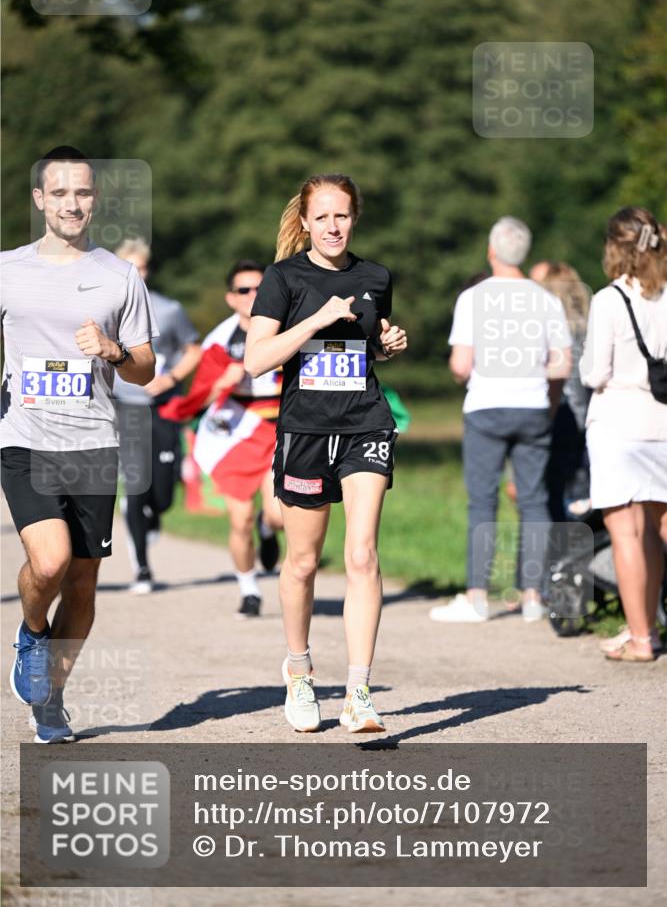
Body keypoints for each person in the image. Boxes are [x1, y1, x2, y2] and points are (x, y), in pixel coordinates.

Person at [1, 147, 157, 742]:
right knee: (50, 561)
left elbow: (144, 368)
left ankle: (51, 700)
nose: (73, 203)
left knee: (84, 583)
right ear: (40, 199)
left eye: (83, 193)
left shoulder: (119, 275)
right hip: (24, 436)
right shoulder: (7, 269)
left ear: (95, 200)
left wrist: (114, 351)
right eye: (60, 192)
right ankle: (32, 632)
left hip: (93, 442)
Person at [245, 174, 407, 733]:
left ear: (353, 218)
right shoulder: (283, 278)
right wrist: (315, 319)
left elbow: (364, 349)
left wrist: (384, 346)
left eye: (342, 215)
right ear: (307, 222)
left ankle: (359, 691)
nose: (333, 226)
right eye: (323, 217)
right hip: (305, 430)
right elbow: (256, 360)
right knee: (304, 562)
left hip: (365, 422)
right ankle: (300, 672)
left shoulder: (375, 277)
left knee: (362, 556)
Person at [429, 216, 572, 625]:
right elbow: (561, 364)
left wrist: (465, 376)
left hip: (486, 409)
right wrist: (549, 404)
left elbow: (460, 364)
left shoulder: (473, 298)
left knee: (483, 501)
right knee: (534, 501)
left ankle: (477, 596)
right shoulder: (546, 299)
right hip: (533, 408)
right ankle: (532, 596)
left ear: (491, 251)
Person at [161, 260, 283, 617]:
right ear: (231, 298)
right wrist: (223, 383)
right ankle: (248, 589)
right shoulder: (220, 340)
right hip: (237, 433)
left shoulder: (288, 327)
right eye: (244, 290)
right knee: (239, 517)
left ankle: (268, 528)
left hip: (280, 429)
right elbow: (201, 397)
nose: (253, 296)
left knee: (277, 515)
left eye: (260, 288)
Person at [579, 207, 667, 662]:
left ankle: (640, 638)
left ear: (614, 246)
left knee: (626, 534)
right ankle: (647, 627)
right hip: (664, 424)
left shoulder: (609, 300)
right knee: (657, 530)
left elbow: (594, 373)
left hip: (618, 425)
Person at [113, 238, 201, 593]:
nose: (138, 274)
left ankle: (153, 513)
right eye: (130, 268)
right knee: (136, 486)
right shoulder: (108, 311)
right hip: (125, 406)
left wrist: (172, 377)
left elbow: (193, 350)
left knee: (162, 494)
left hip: (164, 407)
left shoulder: (168, 309)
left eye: (143, 267)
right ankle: (143, 570)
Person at [529, 262, 592, 519]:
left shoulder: (550, 330)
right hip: (592, 426)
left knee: (555, 500)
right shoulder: (591, 327)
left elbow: (569, 388)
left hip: (562, 421)